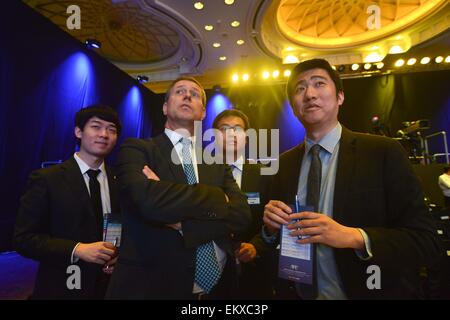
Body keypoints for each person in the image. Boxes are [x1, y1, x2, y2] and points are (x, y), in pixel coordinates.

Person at [262, 58, 441, 299]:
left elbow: (425, 241)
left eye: (319, 83)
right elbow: (277, 239)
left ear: (340, 97)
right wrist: (271, 230)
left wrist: (355, 237)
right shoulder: (283, 164)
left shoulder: (382, 152)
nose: (310, 94)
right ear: (293, 106)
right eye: (300, 88)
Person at [106, 77, 251, 299]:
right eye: (180, 91)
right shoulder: (137, 149)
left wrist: (182, 222)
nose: (187, 95)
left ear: (203, 112)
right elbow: (146, 202)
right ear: (165, 107)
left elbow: (241, 216)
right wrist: (217, 198)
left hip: (220, 287)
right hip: (153, 287)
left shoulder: (217, 162)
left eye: (195, 94)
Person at [14, 105, 122, 299]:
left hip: (109, 288)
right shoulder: (47, 179)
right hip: (62, 287)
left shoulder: (120, 181)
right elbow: (24, 239)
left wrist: (119, 254)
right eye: (96, 127)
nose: (104, 134)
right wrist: (77, 249)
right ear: (78, 131)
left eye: (111, 129)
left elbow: (122, 226)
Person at [212, 109, 274, 299]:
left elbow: (273, 223)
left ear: (246, 138)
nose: (231, 134)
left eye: (237, 129)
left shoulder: (264, 174)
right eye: (224, 129)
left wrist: (256, 246)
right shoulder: (201, 175)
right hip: (210, 273)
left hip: (254, 274)